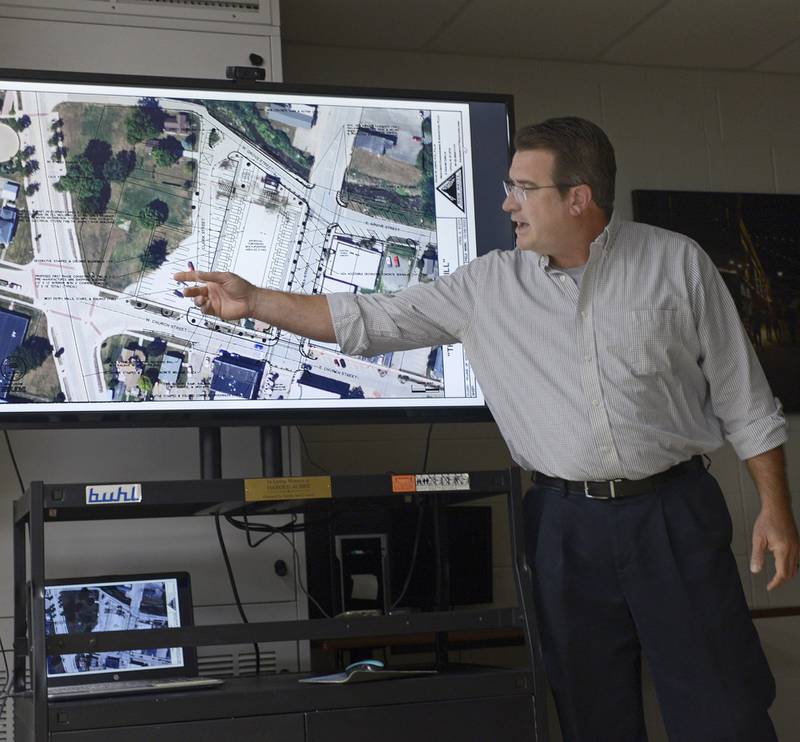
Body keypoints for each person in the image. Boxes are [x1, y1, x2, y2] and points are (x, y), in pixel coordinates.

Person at [175, 117, 799, 741]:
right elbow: (371, 318)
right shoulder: (487, 285)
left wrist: (776, 507)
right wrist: (255, 301)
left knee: (723, 705)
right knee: (592, 711)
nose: (507, 203)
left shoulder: (676, 263)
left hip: (673, 513)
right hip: (563, 527)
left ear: (577, 198)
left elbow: (745, 396)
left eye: (524, 188)